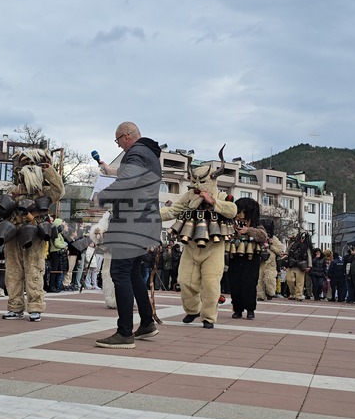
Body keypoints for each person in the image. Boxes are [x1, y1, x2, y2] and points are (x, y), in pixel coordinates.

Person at [95, 122, 162, 348]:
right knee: (133, 273)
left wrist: (102, 196)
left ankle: (124, 333)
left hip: (131, 223)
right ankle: (147, 323)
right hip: (144, 222)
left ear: (125, 136)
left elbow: (127, 182)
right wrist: (111, 170)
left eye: (117, 141)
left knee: (120, 272)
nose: (118, 146)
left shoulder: (136, 153)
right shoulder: (149, 154)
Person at [156, 149, 237, 329]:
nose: (197, 185)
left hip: (213, 248)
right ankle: (193, 310)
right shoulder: (188, 197)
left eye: (202, 181)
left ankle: (208, 317)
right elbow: (172, 211)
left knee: (210, 283)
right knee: (185, 281)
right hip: (191, 246)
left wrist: (213, 202)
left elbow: (232, 210)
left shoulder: (221, 196)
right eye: (194, 181)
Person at [0, 149, 65, 321]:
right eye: (25, 164)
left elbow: (59, 191)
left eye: (31, 164)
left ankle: (35, 307)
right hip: (12, 233)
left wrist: (49, 171)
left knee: (34, 270)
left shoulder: (44, 191)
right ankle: (15, 307)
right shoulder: (14, 190)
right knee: (12, 271)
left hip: (34, 233)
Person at [228, 198, 267, 319]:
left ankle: (250, 309)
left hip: (251, 257)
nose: (240, 215)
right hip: (235, 255)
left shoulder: (256, 224)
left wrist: (248, 230)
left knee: (249, 283)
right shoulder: (232, 223)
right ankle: (237, 309)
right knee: (235, 282)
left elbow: (263, 236)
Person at [256, 220, 285, 301]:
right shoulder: (259, 238)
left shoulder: (274, 239)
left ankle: (270, 293)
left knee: (270, 278)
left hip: (271, 263)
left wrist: (271, 245)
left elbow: (280, 251)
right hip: (261, 262)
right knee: (259, 279)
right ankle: (260, 295)